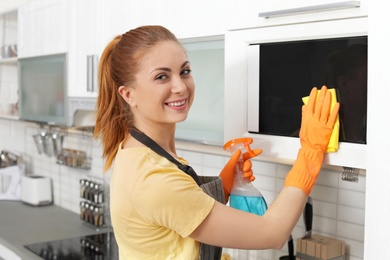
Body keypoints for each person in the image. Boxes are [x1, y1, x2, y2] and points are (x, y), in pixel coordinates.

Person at [94, 25, 339, 260]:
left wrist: (225, 184)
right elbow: (272, 233)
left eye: (185, 71)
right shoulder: (154, 180)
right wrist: (311, 152)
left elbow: (180, 215)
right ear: (128, 94)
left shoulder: (137, 152)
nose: (180, 86)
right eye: (161, 77)